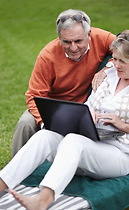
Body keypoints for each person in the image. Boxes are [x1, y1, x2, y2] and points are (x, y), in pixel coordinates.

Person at [0, 30, 129, 210]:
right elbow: (89, 105)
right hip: (89, 144)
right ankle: (2, 184)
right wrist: (89, 114)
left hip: (119, 154)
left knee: (73, 141)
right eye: (114, 59)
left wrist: (124, 126)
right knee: (44, 136)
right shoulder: (110, 76)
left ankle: (42, 200)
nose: (116, 65)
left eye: (122, 61)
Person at [11, 8, 115, 157]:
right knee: (25, 123)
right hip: (53, 108)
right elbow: (34, 95)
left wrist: (107, 68)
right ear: (59, 38)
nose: (73, 48)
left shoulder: (101, 38)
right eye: (67, 42)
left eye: (78, 41)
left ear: (89, 35)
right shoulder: (47, 56)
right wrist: (45, 123)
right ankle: (14, 173)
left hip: (86, 107)